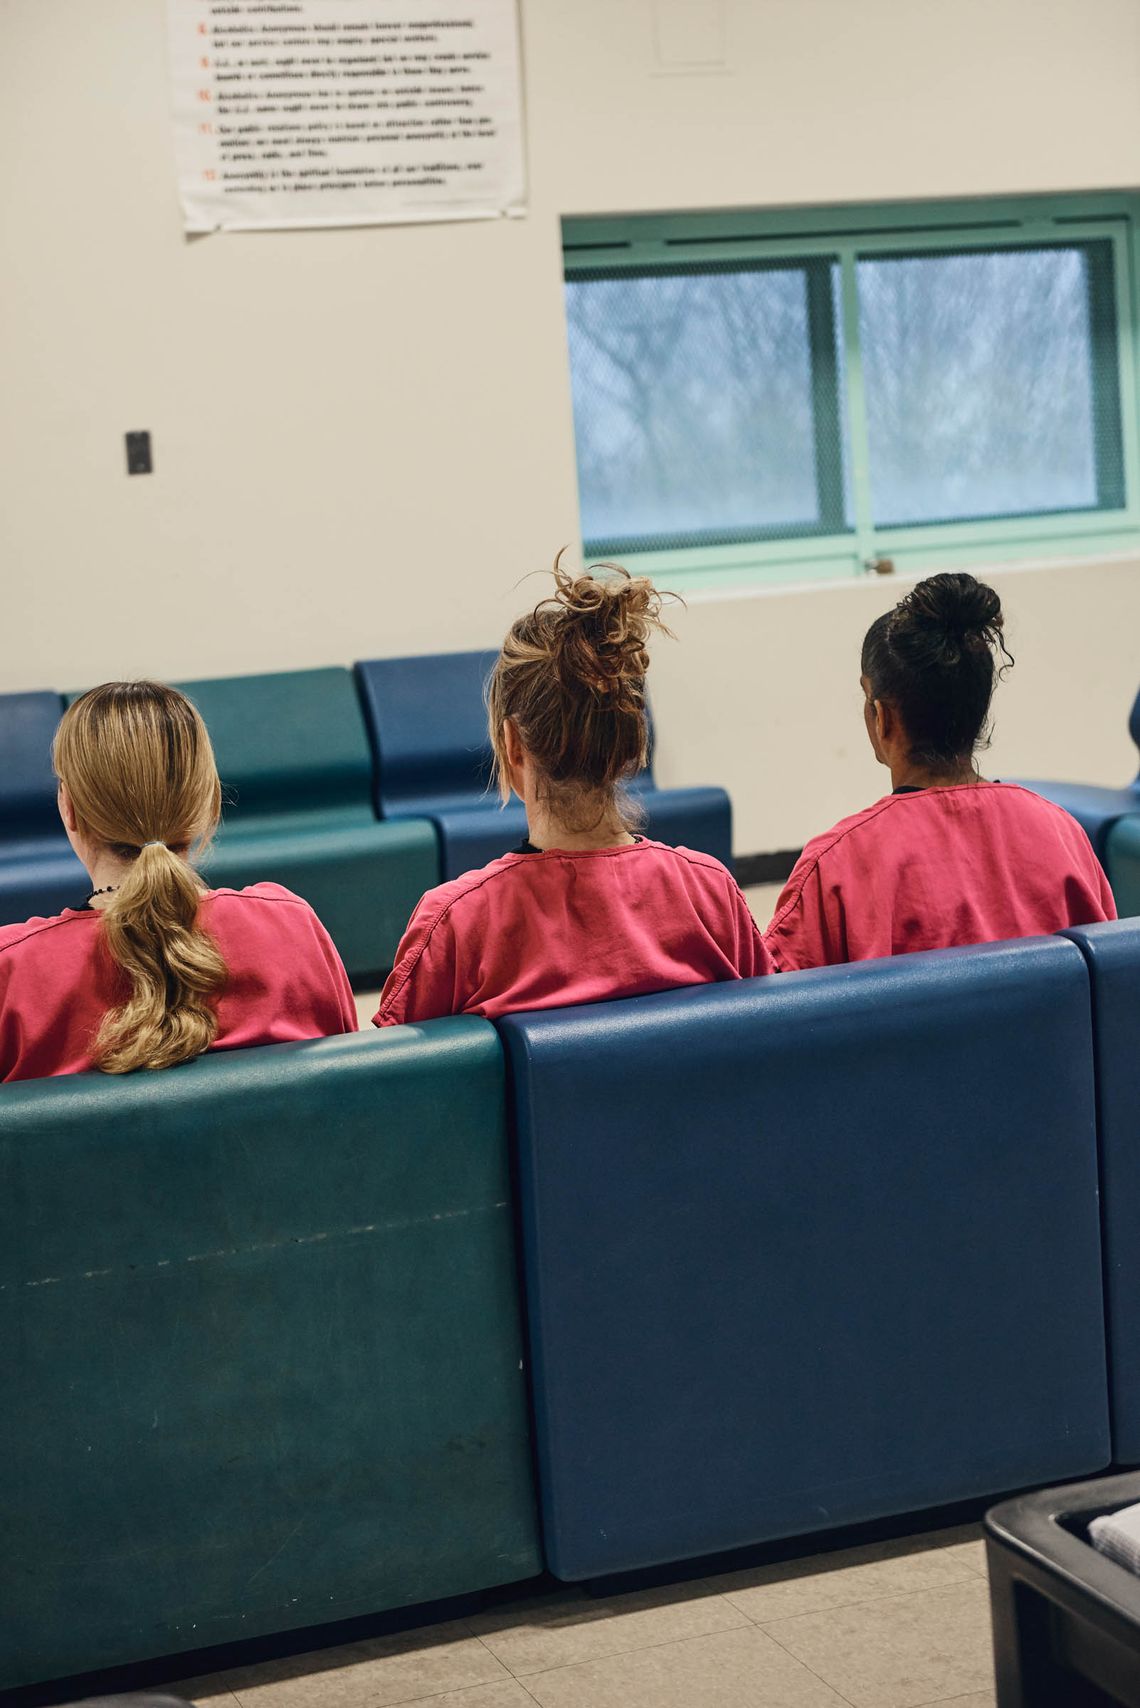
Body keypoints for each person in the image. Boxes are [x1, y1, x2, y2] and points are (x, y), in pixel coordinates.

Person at [377, 560, 770, 1025]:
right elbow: (770, 1040)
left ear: (512, 744)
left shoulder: (457, 926)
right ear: (629, 742)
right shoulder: (710, 895)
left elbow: (392, 1082)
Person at [0, 680, 357, 1081]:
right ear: (207, 805)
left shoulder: (12, 973)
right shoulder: (290, 928)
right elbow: (348, 1092)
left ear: (69, 811)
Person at [764, 573, 1116, 971]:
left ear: (882, 717)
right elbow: (1109, 983)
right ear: (978, 710)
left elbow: (775, 1015)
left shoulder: (835, 868)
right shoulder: (1061, 833)